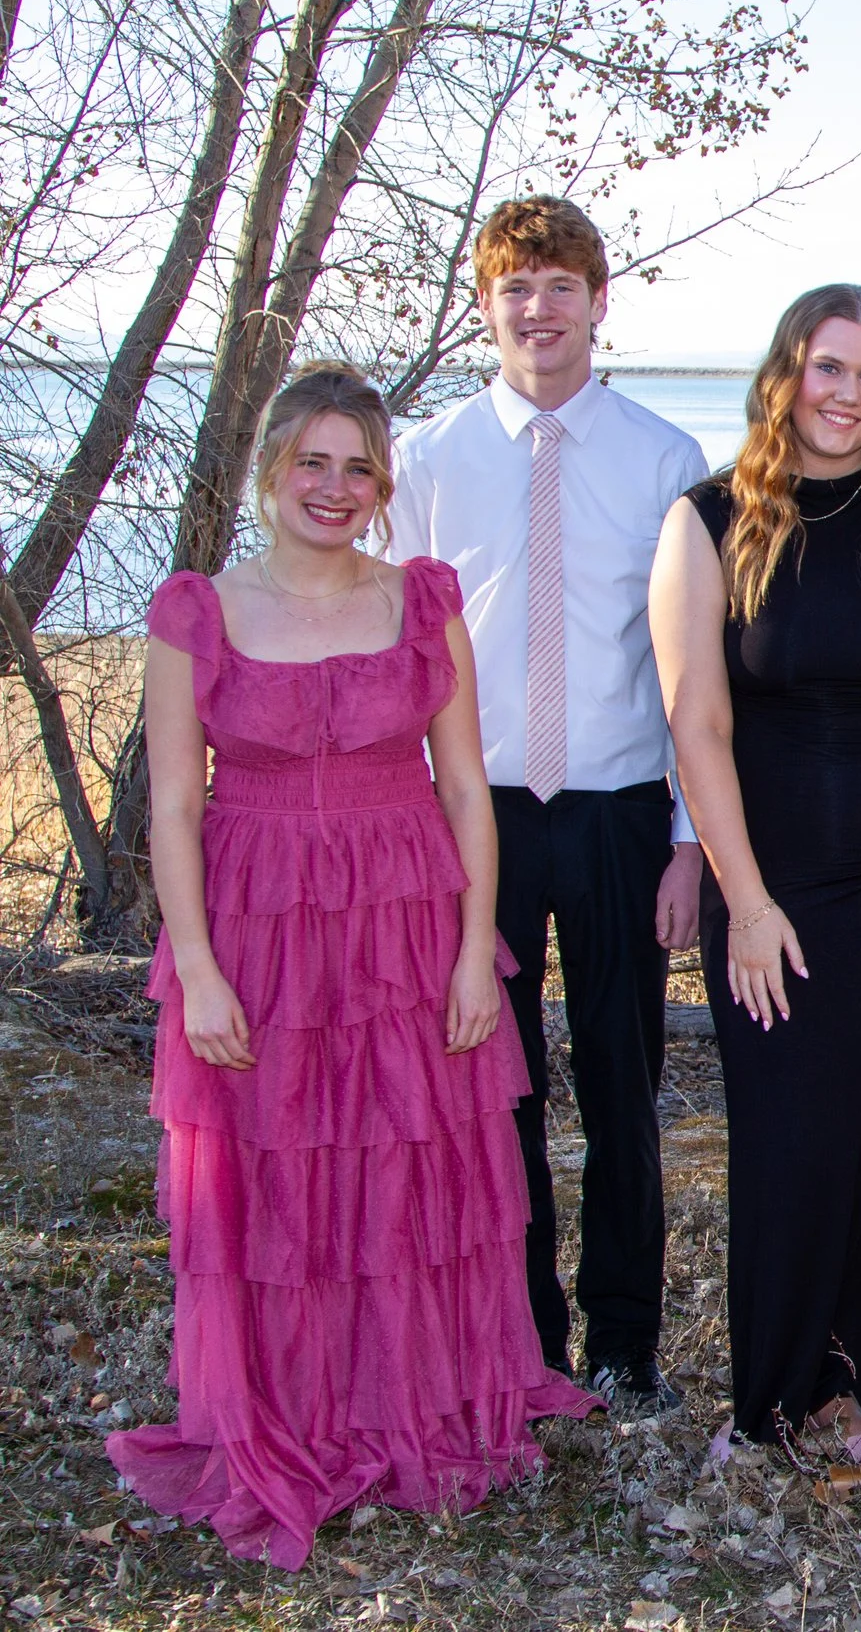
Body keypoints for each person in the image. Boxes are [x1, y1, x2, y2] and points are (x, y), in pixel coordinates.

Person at [110, 366, 596, 1569]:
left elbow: (468, 786)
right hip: (257, 920)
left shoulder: (420, 601)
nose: (334, 487)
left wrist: (481, 950)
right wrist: (203, 969)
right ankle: (292, 1411)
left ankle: (412, 1402)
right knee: (268, 1167)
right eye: (312, 462)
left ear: (385, 485)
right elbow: (174, 806)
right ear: (271, 468)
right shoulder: (196, 611)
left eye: (359, 466)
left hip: (402, 919)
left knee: (404, 1163)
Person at [650, 283, 861, 1460]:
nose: (847, 394)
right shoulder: (707, 521)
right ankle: (782, 1390)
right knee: (794, 1142)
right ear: (784, 374)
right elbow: (696, 723)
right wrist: (742, 902)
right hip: (775, 894)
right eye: (828, 367)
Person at [387, 196, 709, 1415]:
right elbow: (404, 652)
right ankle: (521, 1345)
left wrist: (688, 838)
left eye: (561, 284)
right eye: (516, 286)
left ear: (598, 299)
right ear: (486, 302)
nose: (540, 308)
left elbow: (689, 669)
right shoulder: (428, 462)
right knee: (495, 1090)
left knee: (623, 1085)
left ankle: (627, 1342)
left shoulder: (665, 458)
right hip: (477, 823)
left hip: (624, 810)